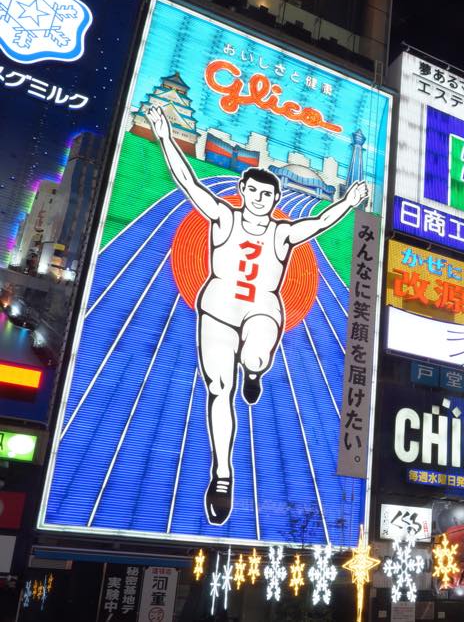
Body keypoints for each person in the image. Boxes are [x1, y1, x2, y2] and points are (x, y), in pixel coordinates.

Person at [146, 105, 369, 525]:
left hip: (262, 309)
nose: (259, 199)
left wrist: (350, 201)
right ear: (243, 191)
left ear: (274, 200)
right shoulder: (222, 216)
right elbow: (187, 182)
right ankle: (223, 474)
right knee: (217, 388)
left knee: (255, 357)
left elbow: (320, 222)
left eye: (267, 195)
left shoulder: (282, 233)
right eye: (253, 192)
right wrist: (164, 135)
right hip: (216, 310)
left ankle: (255, 371)